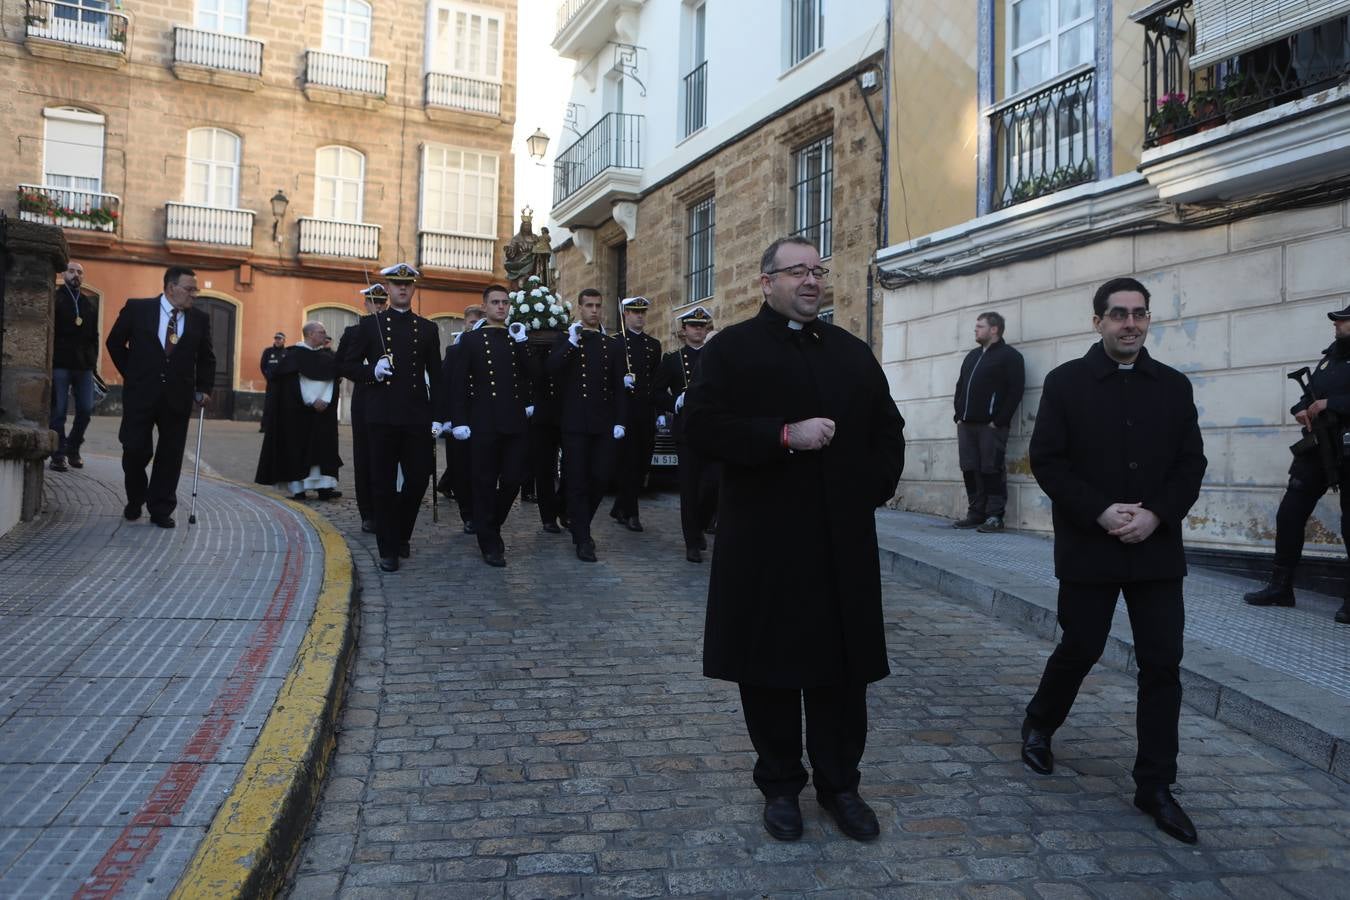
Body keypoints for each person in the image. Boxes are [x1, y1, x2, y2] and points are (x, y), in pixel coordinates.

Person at [684, 237, 906, 843]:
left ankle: (840, 787)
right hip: (766, 542)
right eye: (798, 271)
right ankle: (780, 786)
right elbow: (699, 426)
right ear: (766, 282)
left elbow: (889, 429)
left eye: (819, 271)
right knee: (771, 670)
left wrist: (870, 489)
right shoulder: (732, 350)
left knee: (841, 671)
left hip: (841, 541)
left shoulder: (850, 352)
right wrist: (782, 435)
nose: (812, 281)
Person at [1021, 276, 1207, 845]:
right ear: (1097, 321)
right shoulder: (1066, 383)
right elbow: (1048, 462)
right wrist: (1101, 512)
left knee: (1162, 666)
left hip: (1156, 550)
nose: (1131, 323)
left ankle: (1155, 784)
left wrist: (1155, 515)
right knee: (1081, 646)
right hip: (1088, 544)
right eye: (1119, 314)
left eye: (1140, 314)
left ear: (1148, 321)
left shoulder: (1173, 387)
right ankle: (1039, 723)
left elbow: (1190, 465)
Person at [1244, 305, 1350, 625]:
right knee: (1290, 513)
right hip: (1318, 449)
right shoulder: (1329, 356)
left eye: (1344, 320)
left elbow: (1328, 399)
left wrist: (1330, 404)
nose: (1337, 324)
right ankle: (1281, 587)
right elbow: (1310, 396)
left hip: (1347, 449)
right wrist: (1302, 409)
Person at [338, 263, 444, 572]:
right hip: (381, 415)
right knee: (382, 484)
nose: (402, 289)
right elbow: (346, 366)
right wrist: (372, 371)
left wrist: (440, 416)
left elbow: (436, 376)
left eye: (407, 284)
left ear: (413, 288)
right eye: (396, 284)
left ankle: (401, 533)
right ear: (388, 287)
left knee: (417, 479)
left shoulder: (427, 329)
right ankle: (388, 547)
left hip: (415, 416)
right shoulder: (370, 326)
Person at [105, 265, 215, 528]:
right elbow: (114, 342)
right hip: (141, 394)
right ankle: (135, 498)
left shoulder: (200, 319)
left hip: (178, 395)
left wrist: (204, 388)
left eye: (195, 289)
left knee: (171, 454)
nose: (194, 294)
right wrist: (132, 373)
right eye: (190, 289)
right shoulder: (138, 309)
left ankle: (161, 508)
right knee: (134, 449)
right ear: (170, 287)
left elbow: (207, 357)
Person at [448, 285, 536, 567]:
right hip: (483, 420)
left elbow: (535, 374)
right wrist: (458, 420)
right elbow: (458, 384)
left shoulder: (517, 339)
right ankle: (489, 542)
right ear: (484, 307)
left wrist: (523, 344)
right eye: (495, 302)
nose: (501, 307)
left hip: (514, 420)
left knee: (513, 478)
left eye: (505, 302)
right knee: (484, 482)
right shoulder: (471, 341)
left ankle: (491, 522)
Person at [547, 288, 628, 562]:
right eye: (589, 306)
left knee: (600, 477)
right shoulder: (567, 339)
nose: (594, 310)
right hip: (575, 422)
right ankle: (583, 538)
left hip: (603, 422)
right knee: (578, 480)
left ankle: (574, 516)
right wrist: (570, 343)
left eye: (597, 305)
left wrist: (620, 421)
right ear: (580, 309)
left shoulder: (613, 345)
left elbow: (619, 386)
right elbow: (552, 369)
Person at [655, 306, 719, 563]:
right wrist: (674, 402)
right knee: (690, 487)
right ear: (684, 330)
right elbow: (656, 392)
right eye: (694, 326)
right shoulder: (672, 360)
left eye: (703, 326)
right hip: (688, 430)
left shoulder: (715, 355)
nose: (698, 330)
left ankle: (701, 523)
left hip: (713, 428)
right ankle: (692, 541)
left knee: (713, 483)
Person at [951, 311, 1024, 533]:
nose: (976, 330)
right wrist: (959, 415)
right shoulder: (972, 356)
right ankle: (976, 513)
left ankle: (994, 516)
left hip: (991, 426)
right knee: (969, 468)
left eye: (980, 326)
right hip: (967, 424)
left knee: (991, 469)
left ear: (994, 329)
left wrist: (999, 420)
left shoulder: (1010, 356)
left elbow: (1015, 391)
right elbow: (960, 386)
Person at [255, 322, 343, 500]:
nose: (325, 336)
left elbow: (332, 380)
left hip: (323, 414)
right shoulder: (293, 356)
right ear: (310, 334)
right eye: (321, 332)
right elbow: (292, 384)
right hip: (298, 413)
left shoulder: (327, 357)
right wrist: (311, 400)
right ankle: (299, 488)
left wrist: (325, 400)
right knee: (297, 449)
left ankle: (324, 486)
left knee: (323, 449)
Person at [337, 285, 389, 533]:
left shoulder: (394, 329)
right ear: (366, 304)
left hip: (392, 399)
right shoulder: (354, 332)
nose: (378, 306)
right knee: (365, 457)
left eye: (382, 302)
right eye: (374, 302)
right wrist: (369, 369)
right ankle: (368, 511)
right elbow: (343, 366)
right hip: (366, 399)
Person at [609, 296, 663, 532]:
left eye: (642, 312)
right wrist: (620, 383)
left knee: (643, 462)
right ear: (626, 315)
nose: (639, 316)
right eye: (634, 312)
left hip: (646, 409)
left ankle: (619, 506)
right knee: (629, 463)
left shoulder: (654, 345)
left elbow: (656, 381)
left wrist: (660, 410)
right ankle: (632, 513)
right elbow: (607, 378)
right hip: (625, 410)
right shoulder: (615, 342)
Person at [438, 304, 486, 530]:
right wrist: (445, 419)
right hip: (458, 418)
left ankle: (480, 511)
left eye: (478, 322)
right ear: (464, 324)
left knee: (481, 470)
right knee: (460, 469)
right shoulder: (454, 350)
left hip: (482, 417)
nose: (474, 327)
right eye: (470, 322)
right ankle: (468, 514)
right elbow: (445, 385)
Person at [49, 261, 100, 471]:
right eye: (71, 271)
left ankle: (73, 447)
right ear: (64, 274)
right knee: (58, 411)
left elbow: (94, 336)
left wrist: (93, 361)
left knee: (86, 410)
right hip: (60, 364)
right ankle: (58, 454)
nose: (75, 275)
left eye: (79, 272)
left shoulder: (89, 304)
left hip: (84, 367)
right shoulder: (56, 298)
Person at [259, 332, 286, 433]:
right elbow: (263, 366)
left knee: (282, 405)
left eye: (280, 339)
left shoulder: (287, 352)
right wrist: (268, 377)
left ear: (284, 340)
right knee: (269, 405)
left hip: (283, 384)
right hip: (271, 383)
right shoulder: (268, 351)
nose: (277, 341)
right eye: (276, 339)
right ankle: (264, 426)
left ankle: (280, 427)